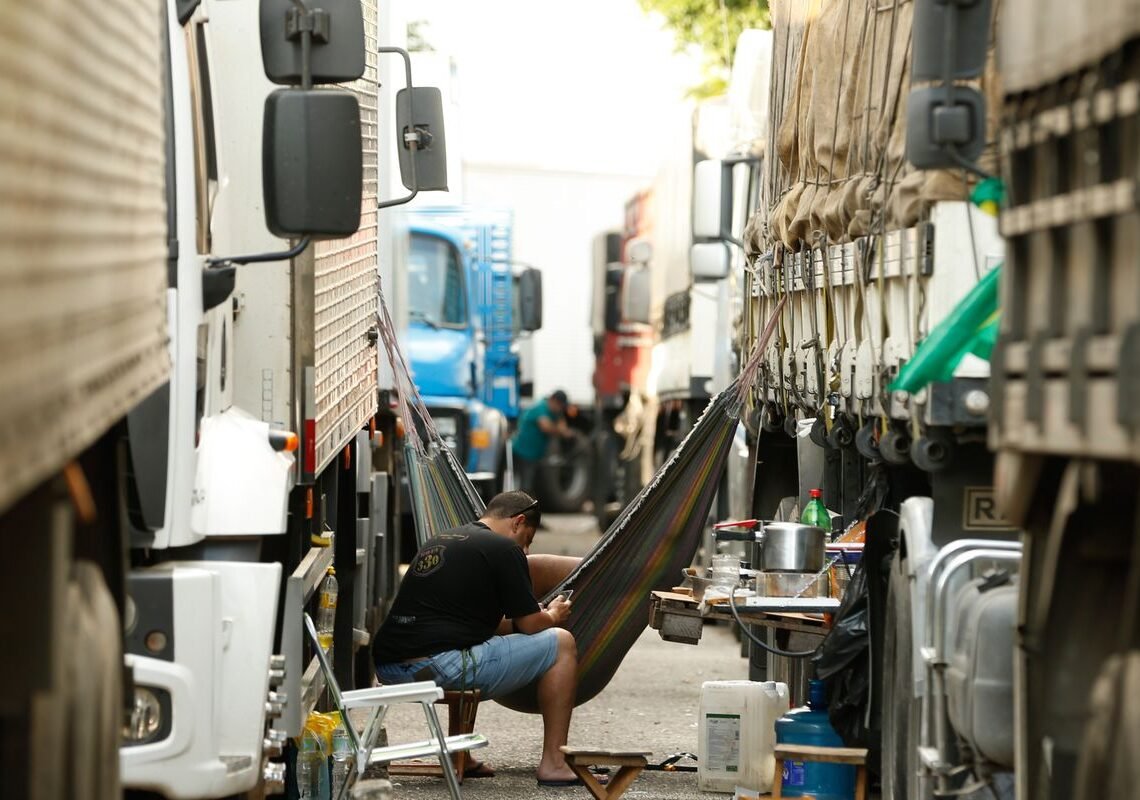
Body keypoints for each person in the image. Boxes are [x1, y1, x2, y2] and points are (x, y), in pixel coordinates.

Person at [373, 491, 583, 787]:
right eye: (527, 539)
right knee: (562, 643)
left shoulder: (443, 539)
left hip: (390, 669)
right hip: (439, 668)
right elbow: (531, 626)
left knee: (472, 644)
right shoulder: (505, 549)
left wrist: (530, 615)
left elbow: (479, 626)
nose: (525, 550)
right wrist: (552, 614)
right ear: (518, 522)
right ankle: (554, 763)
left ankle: (459, 753)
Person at [510, 389, 573, 495]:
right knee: (524, 485)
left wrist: (562, 429)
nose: (560, 409)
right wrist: (561, 431)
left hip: (533, 455)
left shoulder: (554, 411)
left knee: (529, 484)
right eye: (559, 406)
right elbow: (546, 427)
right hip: (522, 452)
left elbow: (562, 423)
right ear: (553, 400)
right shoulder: (541, 407)